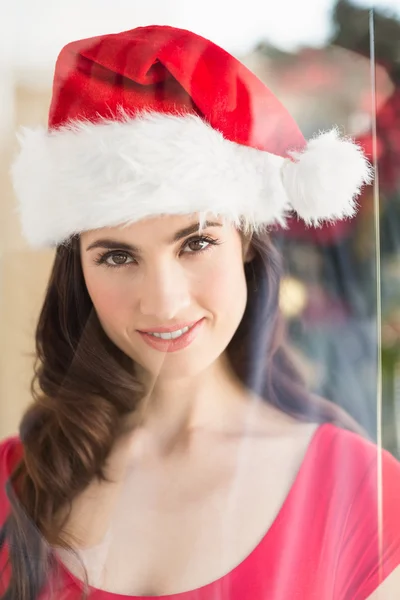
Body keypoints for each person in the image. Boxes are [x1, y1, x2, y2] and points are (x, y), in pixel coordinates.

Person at [0, 24, 399, 600]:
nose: (162, 301)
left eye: (195, 243)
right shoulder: (15, 479)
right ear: (78, 270)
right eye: (116, 256)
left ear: (245, 242)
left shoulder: (362, 495)